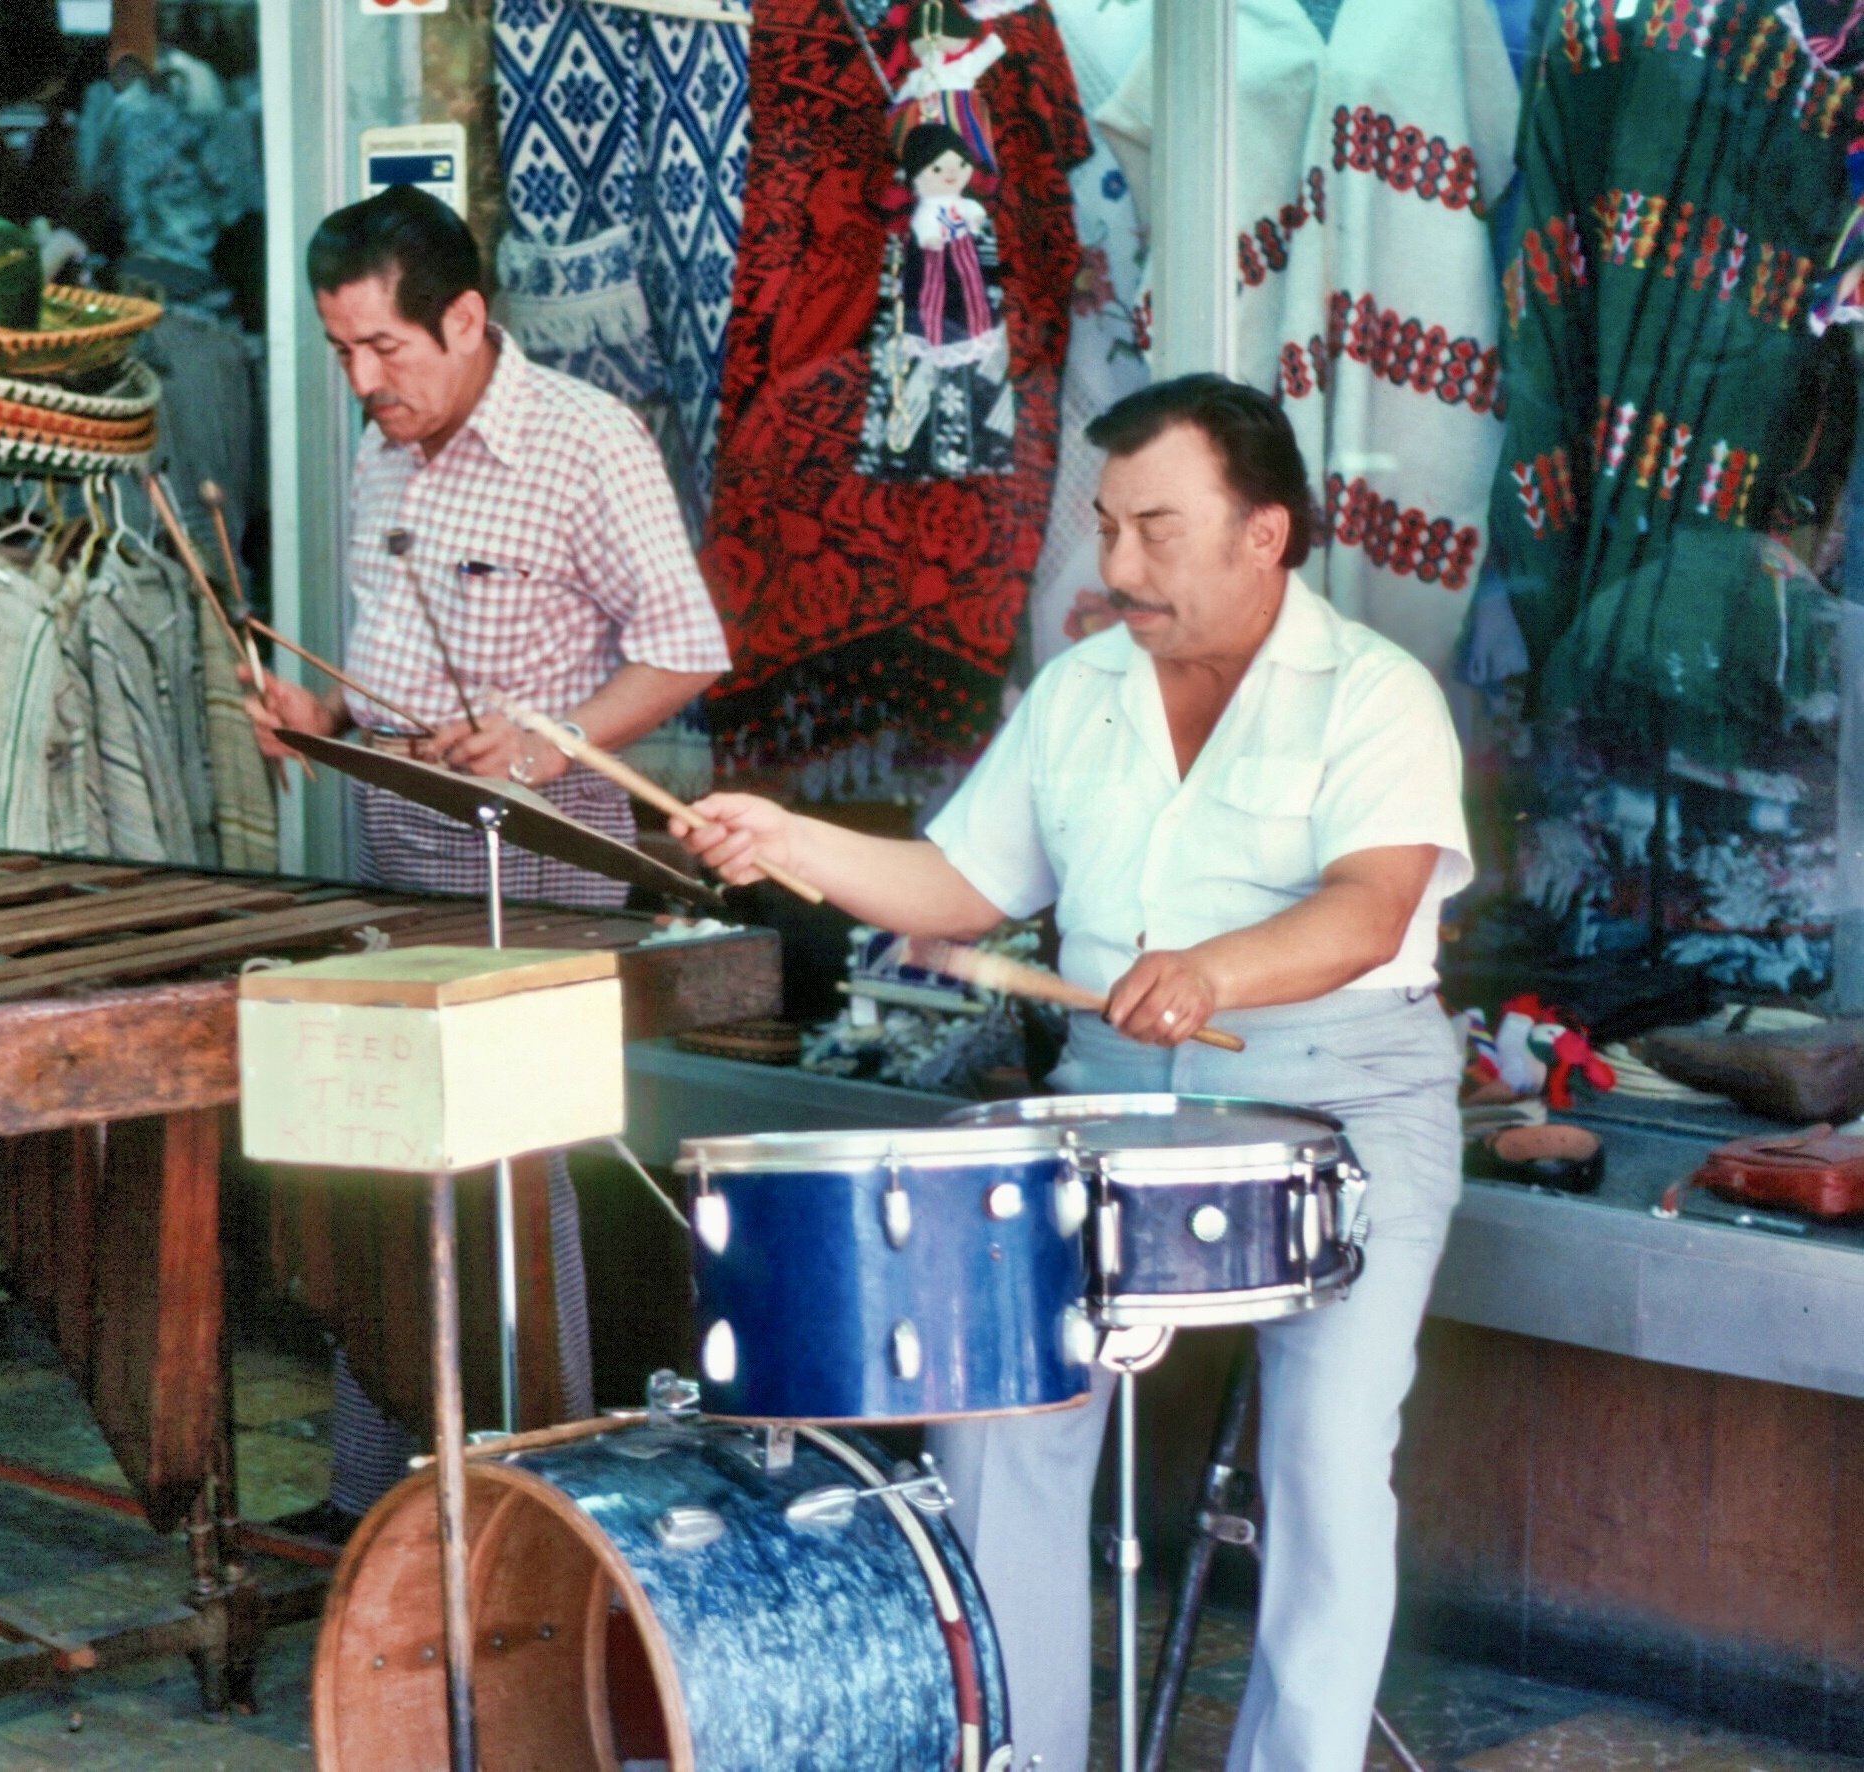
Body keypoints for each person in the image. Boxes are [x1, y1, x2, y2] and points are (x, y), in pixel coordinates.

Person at [675, 374, 1471, 1771]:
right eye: (1105, 528)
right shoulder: (1081, 689)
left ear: (1263, 534)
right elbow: (955, 883)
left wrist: (1218, 969)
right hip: (1110, 1085)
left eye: (1156, 531)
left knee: (1329, 1465)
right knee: (997, 1422)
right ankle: (1018, 1755)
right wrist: (790, 843)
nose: (1115, 569)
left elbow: (1369, 906)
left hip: (1342, 1086)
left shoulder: (1372, 692)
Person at [244, 184, 731, 1533]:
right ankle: (371, 1497)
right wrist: (324, 718)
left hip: (542, 863)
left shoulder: (588, 443)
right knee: (379, 1159)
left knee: (520, 1177)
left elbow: (689, 647)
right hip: (393, 844)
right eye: (340, 348)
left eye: (384, 348)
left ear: (465, 319)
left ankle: (535, 1498)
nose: (361, 380)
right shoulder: (383, 444)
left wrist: (552, 739)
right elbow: (384, 646)